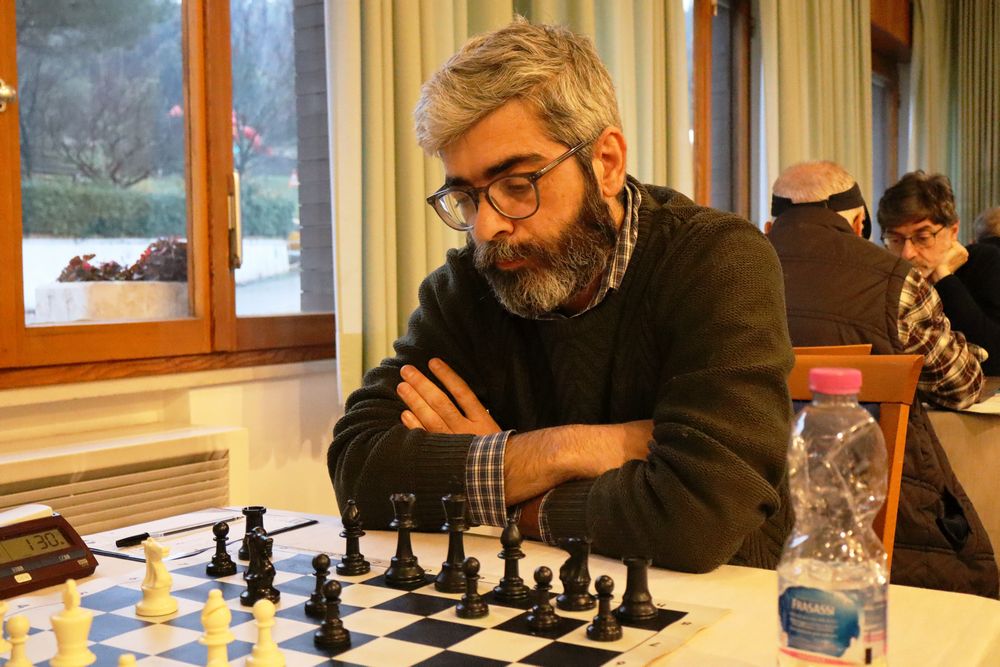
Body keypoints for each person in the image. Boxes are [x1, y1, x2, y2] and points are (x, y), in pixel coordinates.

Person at [329, 18, 795, 573]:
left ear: (606, 164)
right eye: (467, 197)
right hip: (528, 591)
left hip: (722, 598)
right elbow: (360, 471)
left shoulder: (717, 261)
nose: (486, 228)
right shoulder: (469, 285)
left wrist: (503, 492)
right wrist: (566, 449)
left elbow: (699, 516)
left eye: (517, 185)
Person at [766, 160, 998, 598]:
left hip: (753, 509)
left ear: (770, 225)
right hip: (879, 520)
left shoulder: (729, 272)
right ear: (860, 225)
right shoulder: (893, 280)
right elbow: (962, 384)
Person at [878, 172, 1000, 375]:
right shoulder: (880, 276)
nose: (907, 253)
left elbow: (994, 357)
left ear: (953, 232)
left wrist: (944, 278)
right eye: (895, 239)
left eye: (923, 237)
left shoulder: (984, 262)